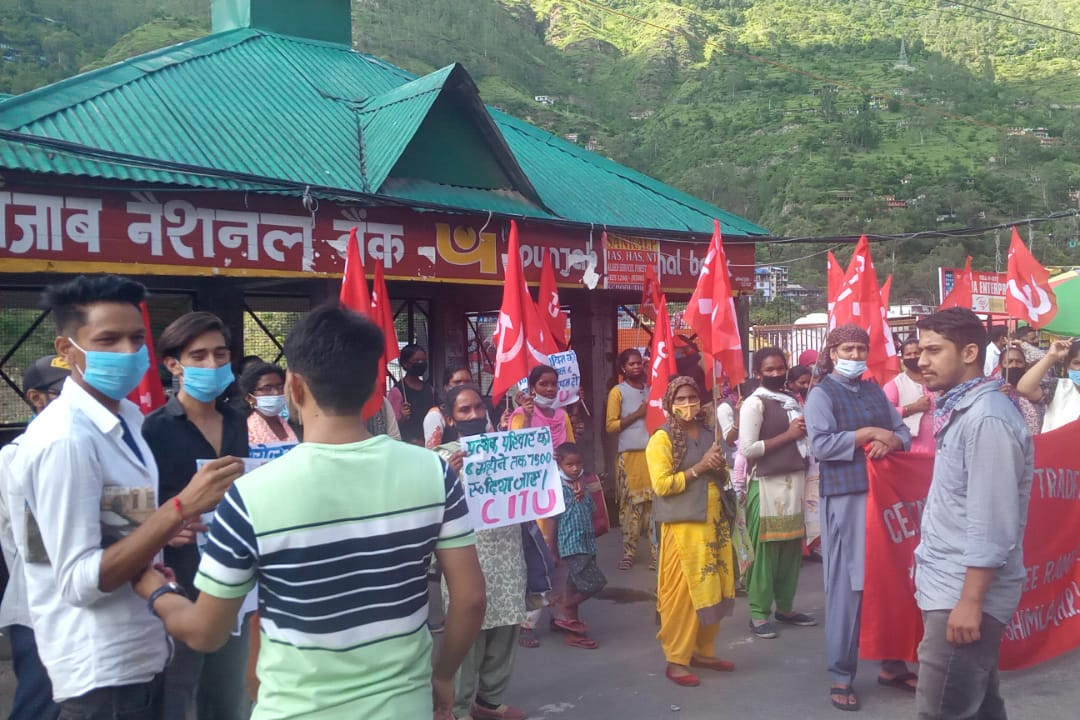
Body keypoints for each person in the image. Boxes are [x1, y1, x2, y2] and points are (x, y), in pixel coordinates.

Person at [133, 305, 485, 720]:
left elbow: (206, 632)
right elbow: (470, 599)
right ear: (374, 385)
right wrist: (443, 676)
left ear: (294, 388)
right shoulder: (435, 472)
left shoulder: (248, 496)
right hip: (405, 706)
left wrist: (153, 587)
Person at [7, 274, 243, 719]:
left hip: (144, 646)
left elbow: (114, 525)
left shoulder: (128, 419)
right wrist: (179, 508)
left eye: (136, 339)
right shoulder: (65, 440)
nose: (127, 352)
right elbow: (76, 579)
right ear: (66, 350)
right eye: (107, 339)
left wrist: (162, 527)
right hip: (102, 667)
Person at [913, 308, 1034, 720]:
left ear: (968, 353)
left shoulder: (986, 419)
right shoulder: (962, 409)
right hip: (951, 585)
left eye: (933, 350)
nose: (921, 361)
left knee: (942, 710)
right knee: (979, 708)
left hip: (963, 595)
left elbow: (991, 521)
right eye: (919, 350)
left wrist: (970, 601)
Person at [142, 311, 253, 720]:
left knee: (228, 695)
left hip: (238, 579)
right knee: (175, 694)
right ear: (174, 365)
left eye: (220, 355)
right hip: (179, 582)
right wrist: (165, 529)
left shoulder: (243, 423)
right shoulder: (152, 430)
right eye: (199, 356)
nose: (212, 365)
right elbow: (135, 511)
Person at [803, 323, 913, 711]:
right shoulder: (821, 394)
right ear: (832, 353)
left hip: (883, 497)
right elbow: (820, 445)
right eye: (847, 349)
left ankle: (892, 663)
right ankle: (840, 674)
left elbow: (903, 431)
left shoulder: (872, 390)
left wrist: (892, 440)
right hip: (847, 497)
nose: (854, 356)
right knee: (849, 586)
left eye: (860, 349)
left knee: (889, 580)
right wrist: (866, 434)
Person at [436, 383, 529, 720]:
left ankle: (488, 701)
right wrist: (448, 474)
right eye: (464, 410)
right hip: (466, 559)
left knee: (506, 628)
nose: (474, 414)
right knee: (467, 635)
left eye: (478, 407)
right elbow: (427, 507)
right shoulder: (441, 459)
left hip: (507, 552)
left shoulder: (504, 447)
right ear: (450, 417)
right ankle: (456, 708)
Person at [646, 376, 736, 688]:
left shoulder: (711, 432)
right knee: (682, 597)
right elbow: (661, 486)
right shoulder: (661, 439)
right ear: (670, 404)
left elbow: (722, 471)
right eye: (681, 399)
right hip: (683, 529)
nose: (688, 404)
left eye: (692, 398)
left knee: (714, 588)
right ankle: (676, 659)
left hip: (714, 523)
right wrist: (699, 467)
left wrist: (718, 464)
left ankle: (702, 651)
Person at [0, 355, 70, 720]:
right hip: (38, 606)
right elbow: (18, 541)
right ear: (36, 398)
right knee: (40, 704)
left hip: (99, 601)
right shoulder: (12, 459)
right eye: (65, 391)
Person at [738, 348, 816, 639]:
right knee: (765, 552)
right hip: (766, 485)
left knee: (791, 551)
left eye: (780, 368)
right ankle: (758, 614)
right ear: (757, 373)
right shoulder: (754, 404)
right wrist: (789, 436)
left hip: (794, 482)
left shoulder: (791, 401)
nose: (776, 374)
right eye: (769, 370)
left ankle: (785, 607)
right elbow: (748, 449)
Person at [605, 349, 656, 571]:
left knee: (655, 508)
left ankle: (657, 553)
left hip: (653, 456)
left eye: (639, 363)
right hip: (630, 457)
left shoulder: (652, 390)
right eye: (632, 364)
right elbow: (610, 426)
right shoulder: (618, 392)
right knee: (630, 508)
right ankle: (629, 552)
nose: (636, 367)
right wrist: (637, 414)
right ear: (623, 368)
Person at [554, 442, 606, 650]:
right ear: (560, 465)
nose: (575, 468)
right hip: (570, 545)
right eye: (569, 465)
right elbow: (551, 520)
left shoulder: (582, 485)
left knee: (573, 586)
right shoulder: (557, 487)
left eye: (578, 464)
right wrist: (552, 548)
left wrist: (583, 492)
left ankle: (572, 630)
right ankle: (566, 608)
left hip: (586, 543)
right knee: (595, 582)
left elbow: (592, 510)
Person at [883, 337, 935, 455]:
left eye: (916, 353)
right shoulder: (894, 385)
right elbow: (885, 415)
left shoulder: (938, 379)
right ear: (902, 358)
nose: (912, 357)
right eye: (908, 354)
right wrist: (914, 408)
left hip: (940, 446)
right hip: (912, 449)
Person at [1016, 339, 1080, 433]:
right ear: (1067, 367)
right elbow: (1024, 389)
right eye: (1077, 363)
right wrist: (1051, 357)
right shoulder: (1058, 387)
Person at [424, 365, 490, 448]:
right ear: (446, 386)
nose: (474, 415)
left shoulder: (482, 411)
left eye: (467, 382)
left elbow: (492, 438)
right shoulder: (436, 414)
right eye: (457, 382)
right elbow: (432, 454)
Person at [239, 361, 297, 445]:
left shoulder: (290, 424)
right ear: (250, 398)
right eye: (267, 388)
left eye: (280, 386)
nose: (277, 392)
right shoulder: (245, 431)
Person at [389, 343, 437, 445]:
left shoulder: (429, 389)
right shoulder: (397, 391)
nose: (421, 363)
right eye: (417, 361)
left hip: (429, 444)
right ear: (405, 364)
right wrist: (402, 417)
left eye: (423, 361)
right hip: (407, 445)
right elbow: (391, 427)